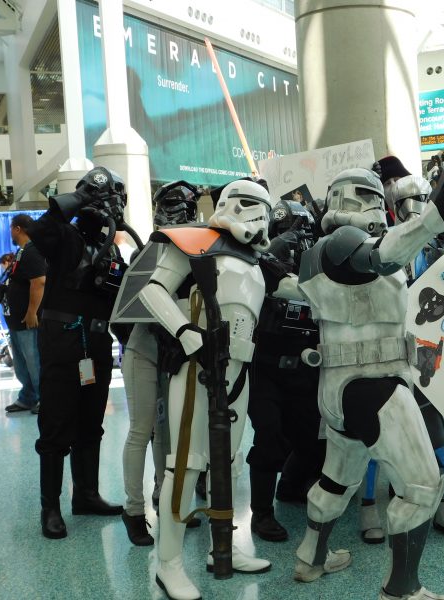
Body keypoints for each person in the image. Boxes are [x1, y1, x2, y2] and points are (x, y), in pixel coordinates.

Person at [293, 168, 444, 600]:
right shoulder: (341, 243)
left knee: (338, 479)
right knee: (422, 486)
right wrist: (427, 221)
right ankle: (402, 589)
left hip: (342, 386)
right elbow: (379, 257)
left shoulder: (318, 251)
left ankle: (311, 557)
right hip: (373, 383)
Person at [140, 179, 274, 600]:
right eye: (250, 203)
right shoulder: (196, 240)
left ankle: (225, 547)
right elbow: (151, 289)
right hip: (200, 367)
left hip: (240, 369)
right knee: (187, 465)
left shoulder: (255, 258)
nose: (258, 214)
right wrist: (183, 330)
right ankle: (169, 564)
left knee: (228, 464)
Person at [28, 167, 131, 541]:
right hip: (63, 345)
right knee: (56, 426)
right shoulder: (64, 238)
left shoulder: (113, 249)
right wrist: (83, 197)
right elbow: (41, 232)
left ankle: (86, 495)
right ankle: (50, 507)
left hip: (98, 346)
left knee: (91, 423)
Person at [118, 181, 200, 547]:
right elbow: (127, 312)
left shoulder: (198, 252)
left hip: (175, 354)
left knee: (169, 437)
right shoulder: (147, 254)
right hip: (145, 351)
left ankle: (164, 497)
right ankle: (133, 511)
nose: (180, 210)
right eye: (173, 204)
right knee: (142, 430)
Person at [246, 199, 326, 543]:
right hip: (265, 368)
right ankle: (260, 514)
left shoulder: (318, 263)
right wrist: (278, 247)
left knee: (313, 437)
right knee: (268, 434)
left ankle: (291, 487)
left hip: (305, 369)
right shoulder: (256, 262)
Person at [3, 214, 46, 415]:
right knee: (21, 365)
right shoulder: (21, 252)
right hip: (16, 321)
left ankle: (44, 399)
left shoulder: (33, 250)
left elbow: (39, 281)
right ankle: (28, 397)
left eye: (11, 228)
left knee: (34, 362)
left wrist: (31, 312)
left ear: (18, 228)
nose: (10, 232)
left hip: (27, 320)